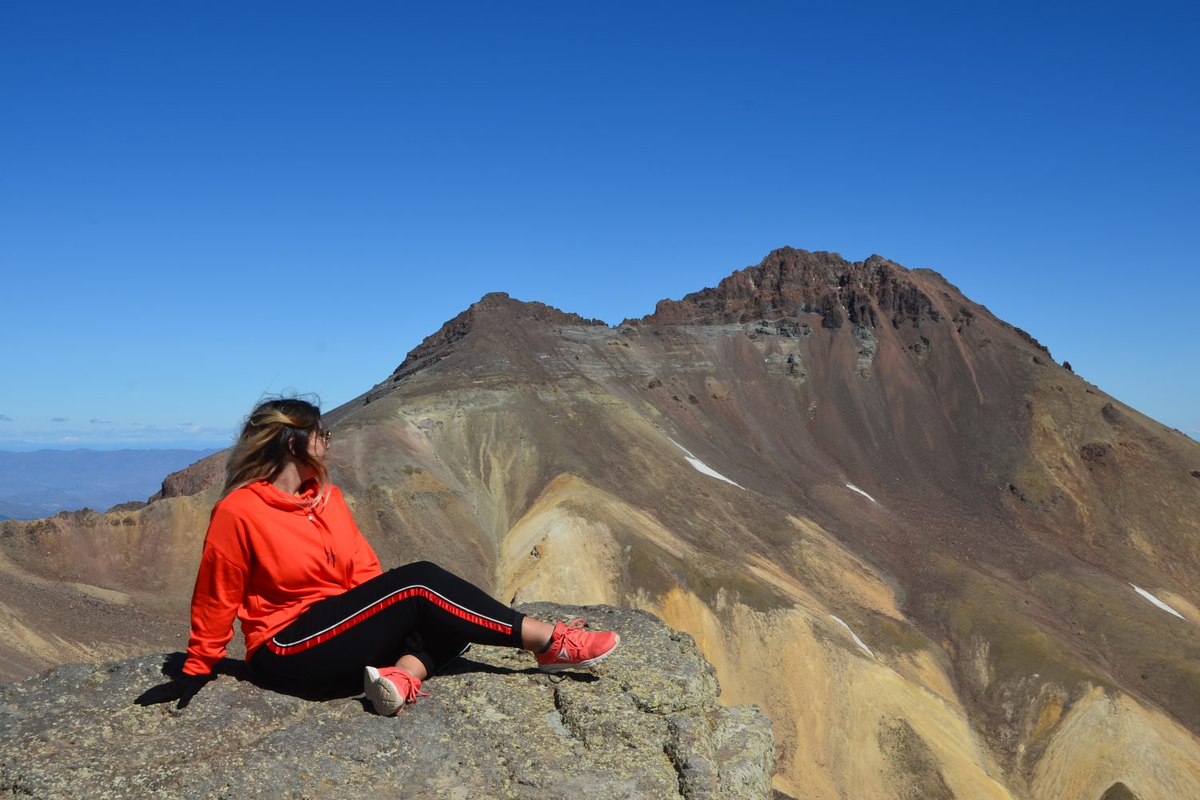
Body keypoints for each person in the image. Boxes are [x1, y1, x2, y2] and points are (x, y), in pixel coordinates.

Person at [136, 397, 619, 716]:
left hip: (342, 642)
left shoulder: (329, 498)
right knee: (421, 581)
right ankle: (547, 642)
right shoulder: (238, 510)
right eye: (320, 433)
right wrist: (197, 668)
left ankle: (401, 678)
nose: (327, 441)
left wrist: (394, 622)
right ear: (292, 442)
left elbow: (366, 578)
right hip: (287, 650)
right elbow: (216, 596)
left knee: (457, 619)